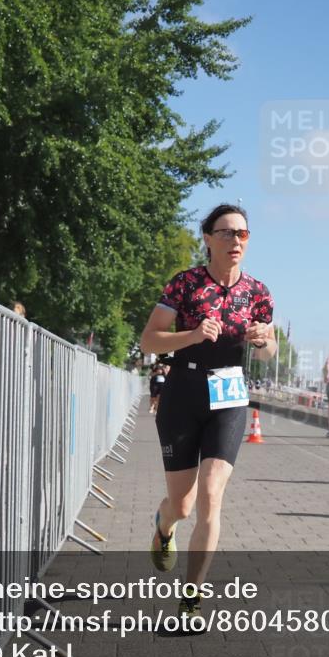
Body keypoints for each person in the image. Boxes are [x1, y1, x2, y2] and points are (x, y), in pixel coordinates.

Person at [139, 203, 276, 626]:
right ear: (208, 237)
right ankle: (164, 526)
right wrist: (194, 334)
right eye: (228, 233)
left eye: (243, 234)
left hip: (229, 390)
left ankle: (191, 600)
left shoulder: (258, 292)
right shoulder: (185, 284)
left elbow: (271, 353)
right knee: (182, 505)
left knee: (212, 496)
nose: (237, 241)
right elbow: (149, 340)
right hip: (183, 388)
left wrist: (261, 340)